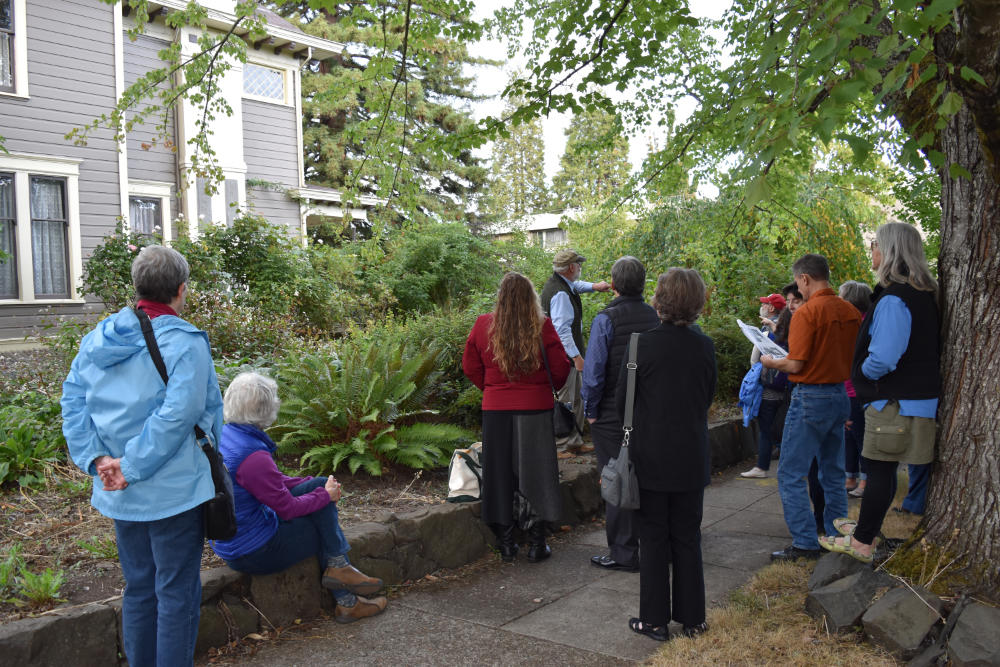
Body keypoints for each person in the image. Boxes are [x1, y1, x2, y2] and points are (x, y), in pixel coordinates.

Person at [61, 245, 224, 666]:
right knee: (175, 594)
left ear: (137, 286)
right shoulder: (185, 341)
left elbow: (73, 400)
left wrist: (98, 460)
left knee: (138, 588)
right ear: (181, 289)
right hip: (172, 489)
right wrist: (129, 467)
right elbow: (178, 415)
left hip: (119, 491)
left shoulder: (98, 338)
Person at [210, 372, 387, 623]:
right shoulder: (253, 456)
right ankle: (346, 598)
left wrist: (314, 486)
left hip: (231, 540)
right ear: (267, 408)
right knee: (322, 530)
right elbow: (286, 508)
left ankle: (341, 572)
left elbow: (273, 483)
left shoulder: (227, 435)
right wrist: (324, 497)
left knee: (316, 485)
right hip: (254, 552)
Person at [821, 223, 939, 563]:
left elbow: (885, 356)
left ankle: (861, 543)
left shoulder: (894, 299)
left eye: (875, 244)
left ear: (889, 252)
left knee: (879, 470)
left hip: (893, 400)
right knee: (881, 471)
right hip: (911, 399)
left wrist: (862, 374)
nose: (871, 251)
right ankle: (866, 532)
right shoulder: (922, 294)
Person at [619, 268, 716, 642]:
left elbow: (623, 401)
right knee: (689, 536)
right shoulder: (704, 345)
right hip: (691, 452)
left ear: (659, 299)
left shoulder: (640, 344)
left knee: (654, 537)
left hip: (650, 456)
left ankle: (654, 620)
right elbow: (706, 397)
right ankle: (694, 619)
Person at [463, 272, 571, 563]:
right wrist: (545, 389)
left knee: (498, 473)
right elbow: (561, 368)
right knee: (536, 473)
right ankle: (537, 543)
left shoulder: (483, 325)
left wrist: (492, 388)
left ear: (500, 297)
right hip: (535, 408)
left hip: (496, 409)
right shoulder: (542, 327)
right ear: (531, 297)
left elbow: (470, 365)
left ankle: (507, 542)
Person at [761, 254, 862, 561]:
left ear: (804, 279)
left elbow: (795, 362)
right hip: (840, 395)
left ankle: (805, 542)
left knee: (790, 473)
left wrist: (770, 360)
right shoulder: (850, 311)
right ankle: (835, 535)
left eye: (800, 285)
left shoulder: (808, 313)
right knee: (832, 471)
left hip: (811, 396)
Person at [581, 256, 660, 572]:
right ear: (643, 284)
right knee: (650, 479)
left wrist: (590, 411)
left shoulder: (606, 319)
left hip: (613, 414)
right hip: (651, 412)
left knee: (616, 479)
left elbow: (595, 372)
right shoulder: (657, 316)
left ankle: (623, 552)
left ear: (612, 285)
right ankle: (654, 547)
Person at [539, 249, 611, 458]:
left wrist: (595, 287)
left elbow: (576, 287)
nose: (580, 267)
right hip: (564, 357)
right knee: (567, 400)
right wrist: (577, 357)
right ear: (571, 268)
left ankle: (574, 442)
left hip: (562, 355)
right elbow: (562, 331)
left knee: (577, 398)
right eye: (578, 264)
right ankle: (561, 446)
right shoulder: (561, 294)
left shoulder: (560, 284)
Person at [741, 303, 793, 478]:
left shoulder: (768, 334)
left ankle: (761, 467)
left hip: (770, 390)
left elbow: (755, 358)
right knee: (788, 429)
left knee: (765, 429)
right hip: (790, 390)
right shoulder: (797, 337)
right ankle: (789, 468)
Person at [838, 280, 873, 498]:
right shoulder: (851, 323)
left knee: (861, 437)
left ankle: (865, 481)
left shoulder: (862, 324)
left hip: (856, 390)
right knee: (848, 437)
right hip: (845, 388)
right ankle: (850, 476)